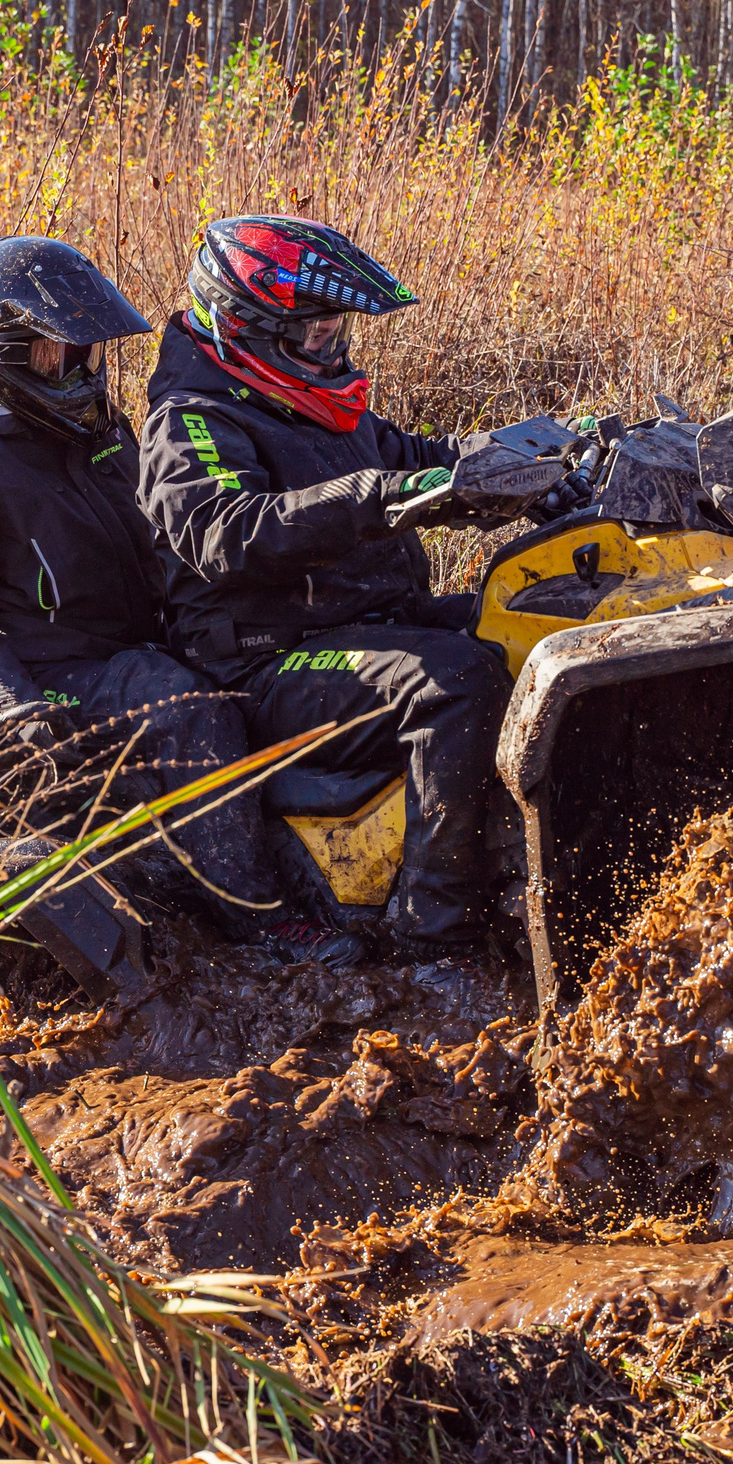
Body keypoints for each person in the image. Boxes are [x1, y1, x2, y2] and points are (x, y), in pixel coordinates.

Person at [0, 234, 367, 967]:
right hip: (50, 671)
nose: (81, 369)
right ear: (5, 351)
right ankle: (262, 923)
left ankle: (343, 874)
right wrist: (8, 699)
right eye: (60, 355)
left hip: (139, 641)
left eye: (87, 352)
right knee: (185, 708)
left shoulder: (101, 435)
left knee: (263, 665)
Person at [136, 215, 528, 960]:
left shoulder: (319, 403)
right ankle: (434, 940)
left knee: (528, 620)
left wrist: (540, 459)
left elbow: (428, 461)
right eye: (311, 334)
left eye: (335, 331)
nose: (330, 348)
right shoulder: (191, 420)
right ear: (245, 328)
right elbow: (230, 532)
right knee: (457, 683)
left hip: (365, 621)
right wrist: (371, 498)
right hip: (267, 663)